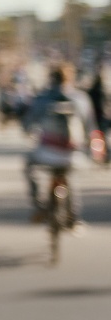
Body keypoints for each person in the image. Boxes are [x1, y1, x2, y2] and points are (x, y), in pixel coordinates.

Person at [23, 64, 95, 224]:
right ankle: (74, 218)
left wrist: (29, 131)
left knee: (29, 166)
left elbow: (28, 123)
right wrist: (91, 150)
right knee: (71, 176)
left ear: (51, 78)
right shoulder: (81, 98)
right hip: (73, 153)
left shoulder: (42, 98)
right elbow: (90, 128)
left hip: (46, 153)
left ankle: (39, 206)